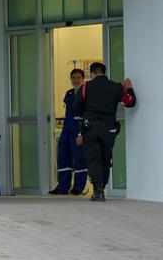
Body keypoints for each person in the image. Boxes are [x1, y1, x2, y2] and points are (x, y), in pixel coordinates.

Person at [73, 62, 136, 202]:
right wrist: (129, 88)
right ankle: (102, 187)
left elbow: (76, 107)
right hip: (109, 129)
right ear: (104, 72)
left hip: (90, 128)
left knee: (93, 159)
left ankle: (98, 191)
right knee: (106, 159)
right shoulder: (116, 87)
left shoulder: (85, 87)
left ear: (92, 73)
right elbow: (130, 103)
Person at [49, 69, 88, 196]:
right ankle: (62, 187)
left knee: (79, 158)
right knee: (62, 156)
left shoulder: (86, 93)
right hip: (67, 129)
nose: (76, 80)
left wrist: (82, 133)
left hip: (78, 129)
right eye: (73, 77)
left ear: (83, 79)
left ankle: (78, 187)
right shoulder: (69, 93)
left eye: (78, 77)